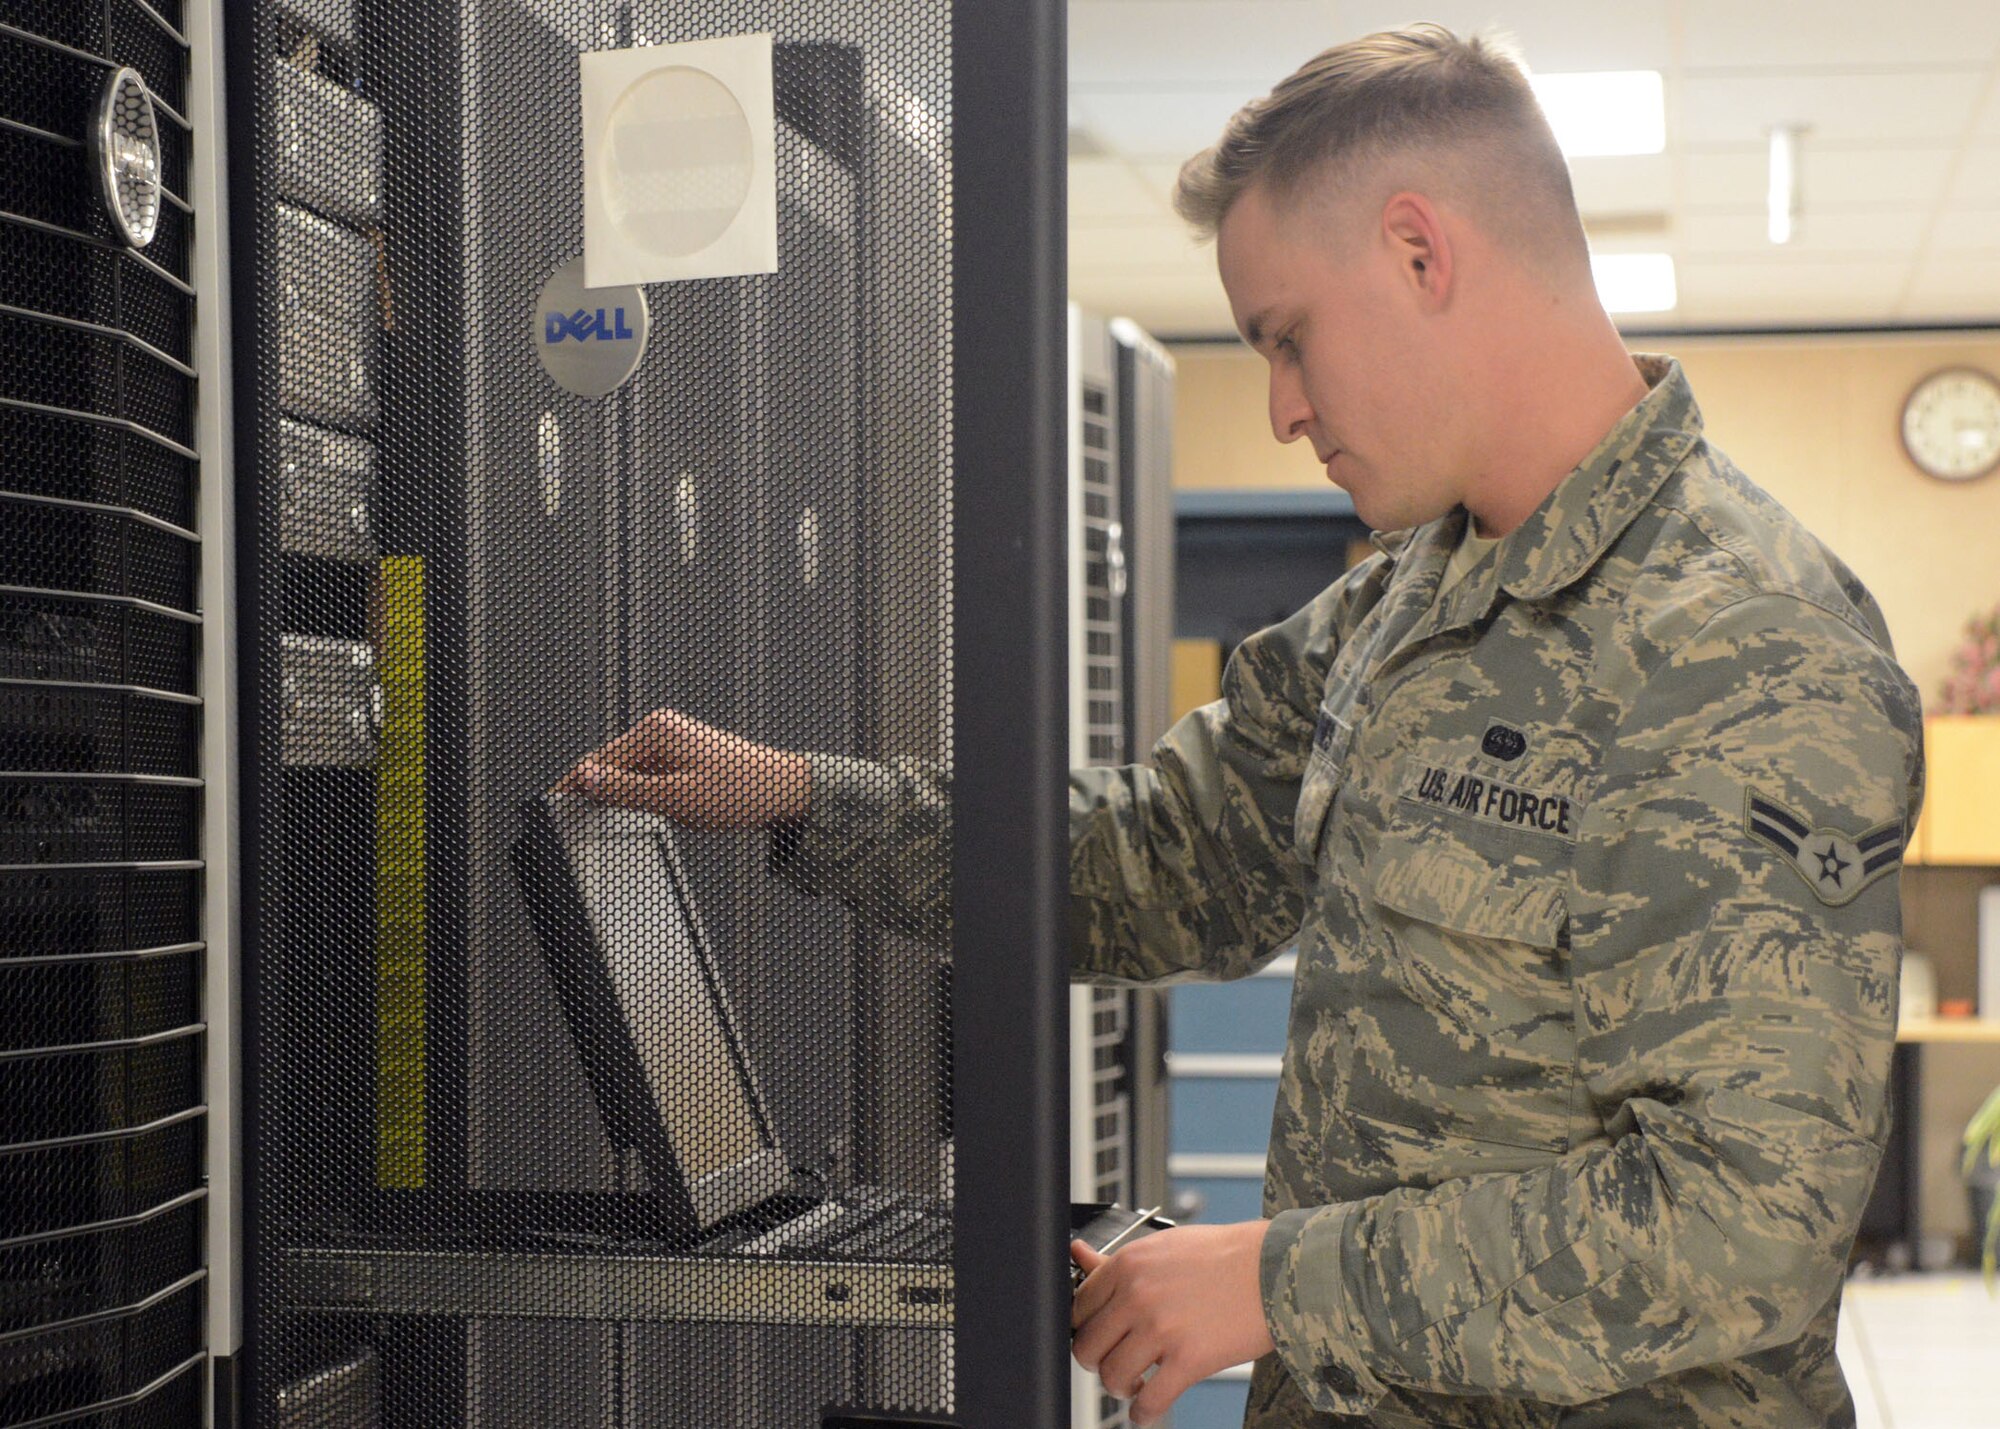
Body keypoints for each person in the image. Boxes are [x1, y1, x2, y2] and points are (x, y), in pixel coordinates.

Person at [563, 24, 1923, 1429]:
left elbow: (1739, 1224)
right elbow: (1152, 861)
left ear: (1418, 252)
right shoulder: (1402, 605)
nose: (1280, 409)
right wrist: (799, 796)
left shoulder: (1746, 645)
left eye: (1288, 337)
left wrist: (1279, 1281)